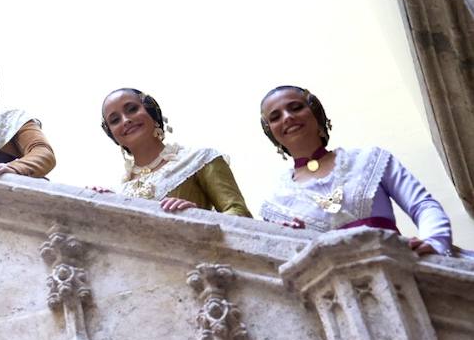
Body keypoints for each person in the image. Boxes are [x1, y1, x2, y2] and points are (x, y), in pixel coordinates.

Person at [258, 85, 460, 256]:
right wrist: (295, 243)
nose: (287, 117)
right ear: (271, 133)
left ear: (315, 112)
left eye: (296, 107)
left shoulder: (370, 159)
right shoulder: (276, 204)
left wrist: (435, 240)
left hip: (399, 265)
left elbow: (422, 205)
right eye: (275, 117)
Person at [97, 88, 250, 216]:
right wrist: (99, 204)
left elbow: (239, 214)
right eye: (115, 120)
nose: (125, 120)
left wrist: (198, 217)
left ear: (151, 111)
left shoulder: (199, 159)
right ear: (112, 134)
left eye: (132, 109)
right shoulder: (119, 193)